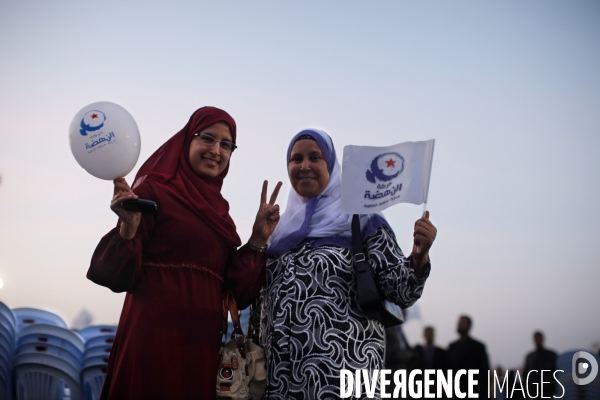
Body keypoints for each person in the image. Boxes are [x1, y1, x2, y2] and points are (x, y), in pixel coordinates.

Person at [87, 106, 282, 399]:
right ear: (187, 140)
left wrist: (257, 239)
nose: (216, 150)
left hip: (200, 345)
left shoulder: (222, 215)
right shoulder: (153, 192)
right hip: (152, 337)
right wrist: (127, 230)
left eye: (226, 144)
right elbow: (114, 275)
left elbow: (238, 291)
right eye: (208, 138)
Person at [251, 129, 437, 399]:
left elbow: (401, 290)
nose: (304, 166)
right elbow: (259, 306)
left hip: (344, 380)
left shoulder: (361, 219)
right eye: (296, 159)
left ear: (330, 164)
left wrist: (419, 258)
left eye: (315, 157)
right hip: (283, 384)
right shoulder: (277, 230)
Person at [447, 315, 490, 398]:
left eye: (462, 323)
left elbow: (485, 374)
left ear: (469, 326)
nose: (459, 325)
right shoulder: (452, 347)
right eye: (459, 323)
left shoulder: (478, 347)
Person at [523, 331, 558, 398]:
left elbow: (557, 372)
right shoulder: (530, 357)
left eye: (538, 338)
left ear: (542, 339)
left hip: (549, 392)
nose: (537, 341)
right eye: (536, 339)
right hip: (534, 392)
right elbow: (525, 374)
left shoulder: (552, 355)